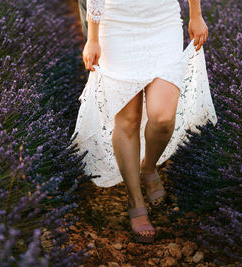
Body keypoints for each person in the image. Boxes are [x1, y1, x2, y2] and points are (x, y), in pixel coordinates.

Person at [71, 0, 217, 243]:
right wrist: (93, 36)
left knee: (162, 118)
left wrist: (196, 14)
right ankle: (136, 200)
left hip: (162, 20)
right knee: (128, 119)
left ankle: (148, 167)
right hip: (116, 25)